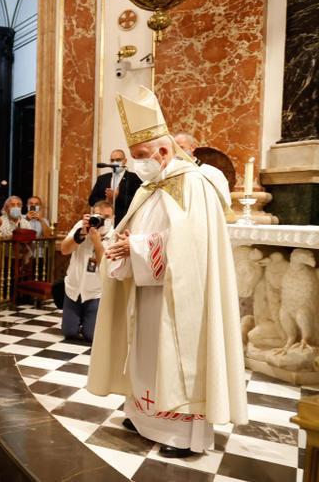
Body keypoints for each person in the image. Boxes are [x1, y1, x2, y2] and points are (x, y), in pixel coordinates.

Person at [87, 86, 247, 458]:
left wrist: (139, 247)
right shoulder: (150, 187)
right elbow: (137, 229)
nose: (136, 164)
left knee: (175, 358)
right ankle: (143, 416)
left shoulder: (194, 184)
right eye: (133, 157)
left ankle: (178, 434)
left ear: (163, 151)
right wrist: (123, 242)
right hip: (148, 291)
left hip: (180, 298)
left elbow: (191, 249)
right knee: (144, 354)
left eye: (142, 156)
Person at [59, 201, 113, 342]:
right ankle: (79, 320)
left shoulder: (114, 234)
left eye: (106, 217)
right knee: (69, 333)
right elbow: (64, 250)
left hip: (95, 292)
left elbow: (105, 265)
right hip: (73, 289)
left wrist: (97, 242)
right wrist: (81, 234)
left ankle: (90, 321)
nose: (101, 220)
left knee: (91, 336)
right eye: (98, 215)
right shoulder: (81, 226)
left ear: (113, 218)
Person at [173, 131, 232, 207]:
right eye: (174, 149)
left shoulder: (213, 173)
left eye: (181, 148)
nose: (177, 153)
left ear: (192, 147)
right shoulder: (169, 174)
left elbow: (225, 204)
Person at [88, 149, 142, 227]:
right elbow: (91, 200)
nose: (115, 163)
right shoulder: (102, 178)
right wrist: (106, 200)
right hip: (103, 222)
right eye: (112, 160)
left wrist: (118, 196)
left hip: (124, 222)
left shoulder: (134, 178)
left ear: (125, 161)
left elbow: (137, 201)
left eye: (118, 160)